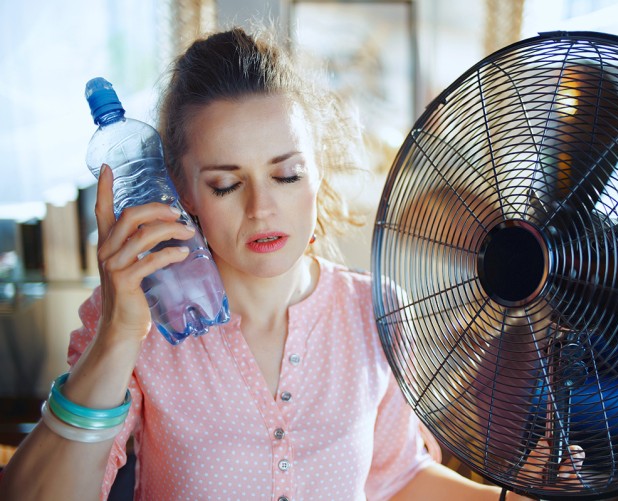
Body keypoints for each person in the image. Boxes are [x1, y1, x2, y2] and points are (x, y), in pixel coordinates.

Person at [0, 26, 583, 500]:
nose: (261, 208)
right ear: (182, 191)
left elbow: (396, 477)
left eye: (286, 175)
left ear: (318, 169)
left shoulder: (376, 311)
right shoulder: (132, 323)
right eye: (227, 184)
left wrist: (515, 498)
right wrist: (119, 337)